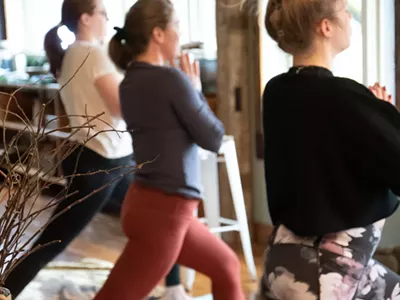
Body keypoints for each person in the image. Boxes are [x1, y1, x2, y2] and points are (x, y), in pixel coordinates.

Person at [3, 0, 188, 299]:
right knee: (53, 241)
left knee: (160, 220)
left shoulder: (71, 55)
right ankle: (5, 291)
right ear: (86, 19)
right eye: (102, 13)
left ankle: (173, 288)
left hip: (101, 158)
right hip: (101, 163)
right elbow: (123, 108)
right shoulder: (92, 54)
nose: (107, 19)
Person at [92, 0, 246, 299]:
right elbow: (213, 138)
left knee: (226, 265)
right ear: (158, 34)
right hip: (165, 212)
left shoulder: (130, 81)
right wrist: (195, 89)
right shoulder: (171, 79)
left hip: (152, 205)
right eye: (176, 25)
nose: (180, 33)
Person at [257, 0, 400, 299]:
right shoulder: (343, 98)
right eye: (345, 10)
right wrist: (385, 115)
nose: (350, 17)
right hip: (323, 274)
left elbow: (328, 147)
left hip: (283, 259)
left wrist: (379, 117)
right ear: (325, 27)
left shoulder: (277, 91)